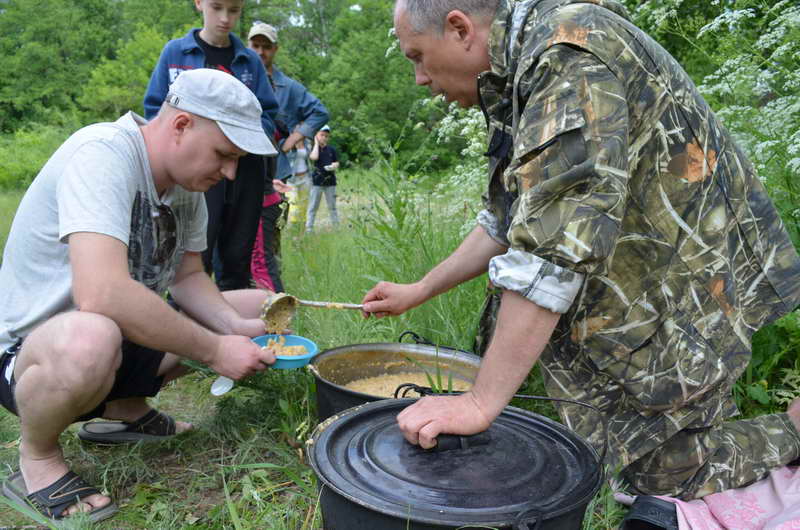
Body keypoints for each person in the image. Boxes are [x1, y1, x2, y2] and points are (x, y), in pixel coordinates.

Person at [362, 0, 800, 501]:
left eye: (417, 55)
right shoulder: (520, 66)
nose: (419, 77)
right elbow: (509, 219)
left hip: (692, 271)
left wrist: (481, 402)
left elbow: (551, 251)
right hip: (635, 258)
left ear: (459, 28)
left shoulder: (568, 56)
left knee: (667, 478)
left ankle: (793, 428)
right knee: (591, 423)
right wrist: (420, 289)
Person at [0, 69, 277, 524]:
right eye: (224, 155)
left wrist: (236, 329)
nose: (229, 172)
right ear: (182, 125)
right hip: (37, 352)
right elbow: (101, 293)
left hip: (114, 340)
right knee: (92, 336)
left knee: (253, 306)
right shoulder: (102, 153)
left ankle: (125, 411)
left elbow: (188, 276)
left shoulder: (185, 187)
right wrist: (215, 349)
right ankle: (38, 459)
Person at [143, 0, 279, 292]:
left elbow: (268, 115)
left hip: (246, 168)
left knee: (237, 254)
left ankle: (232, 320)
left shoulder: (250, 60)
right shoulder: (175, 53)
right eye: (217, 8)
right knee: (194, 252)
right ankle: (184, 321)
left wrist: (241, 141)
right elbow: (155, 110)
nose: (224, 18)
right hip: (197, 167)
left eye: (234, 11)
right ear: (199, 4)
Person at [247, 22, 329, 291]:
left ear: (275, 49)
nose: (260, 52)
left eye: (266, 47)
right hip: (237, 172)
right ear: (247, 46)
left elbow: (320, 112)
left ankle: (270, 296)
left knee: (270, 244)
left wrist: (294, 139)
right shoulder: (237, 77)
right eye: (255, 46)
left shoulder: (288, 87)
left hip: (275, 175)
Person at [306, 125, 340, 233]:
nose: (324, 137)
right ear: (316, 135)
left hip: (330, 181)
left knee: (332, 207)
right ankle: (309, 228)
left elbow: (336, 162)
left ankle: (336, 228)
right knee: (313, 206)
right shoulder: (313, 148)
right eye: (321, 135)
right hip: (317, 182)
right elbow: (314, 158)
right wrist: (316, 143)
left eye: (326, 136)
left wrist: (334, 166)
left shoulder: (331, 149)